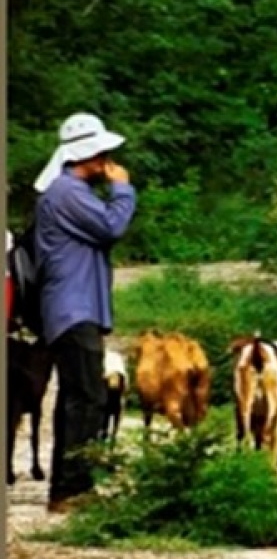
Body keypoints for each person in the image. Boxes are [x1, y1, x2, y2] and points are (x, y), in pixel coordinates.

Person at [34, 113, 137, 513]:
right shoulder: (67, 193)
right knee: (88, 398)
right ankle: (72, 489)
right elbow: (111, 226)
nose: (108, 162)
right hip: (73, 309)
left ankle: (68, 487)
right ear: (88, 155)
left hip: (71, 308)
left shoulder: (64, 192)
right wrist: (123, 191)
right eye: (103, 155)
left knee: (77, 398)